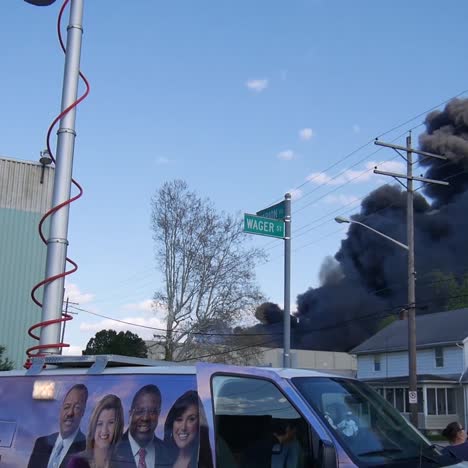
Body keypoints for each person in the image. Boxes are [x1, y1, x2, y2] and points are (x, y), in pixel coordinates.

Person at [27, 383, 88, 468]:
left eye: (77, 407)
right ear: (61, 409)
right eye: (67, 407)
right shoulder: (41, 443)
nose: (70, 413)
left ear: (83, 412)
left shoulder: (87, 448)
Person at [113, 384, 172, 468]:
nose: (145, 418)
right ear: (130, 414)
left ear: (158, 414)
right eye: (140, 411)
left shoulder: (168, 453)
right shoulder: (113, 450)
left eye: (152, 411)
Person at [67, 394, 124, 468]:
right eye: (100, 423)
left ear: (118, 426)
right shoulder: (77, 462)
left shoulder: (123, 464)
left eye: (111, 423)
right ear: (93, 427)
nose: (104, 430)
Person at [163, 390, 213, 468]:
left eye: (191, 419)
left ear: (199, 424)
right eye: (179, 419)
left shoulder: (208, 461)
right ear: (172, 423)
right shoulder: (161, 458)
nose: (183, 427)